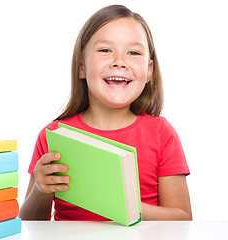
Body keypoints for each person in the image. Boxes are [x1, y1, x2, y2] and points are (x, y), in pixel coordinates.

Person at [19, 4, 192, 221]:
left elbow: (182, 218)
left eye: (133, 52)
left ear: (148, 71)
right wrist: (41, 190)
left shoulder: (162, 133)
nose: (119, 62)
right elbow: (29, 222)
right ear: (81, 66)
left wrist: (125, 206)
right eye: (105, 50)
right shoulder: (54, 135)